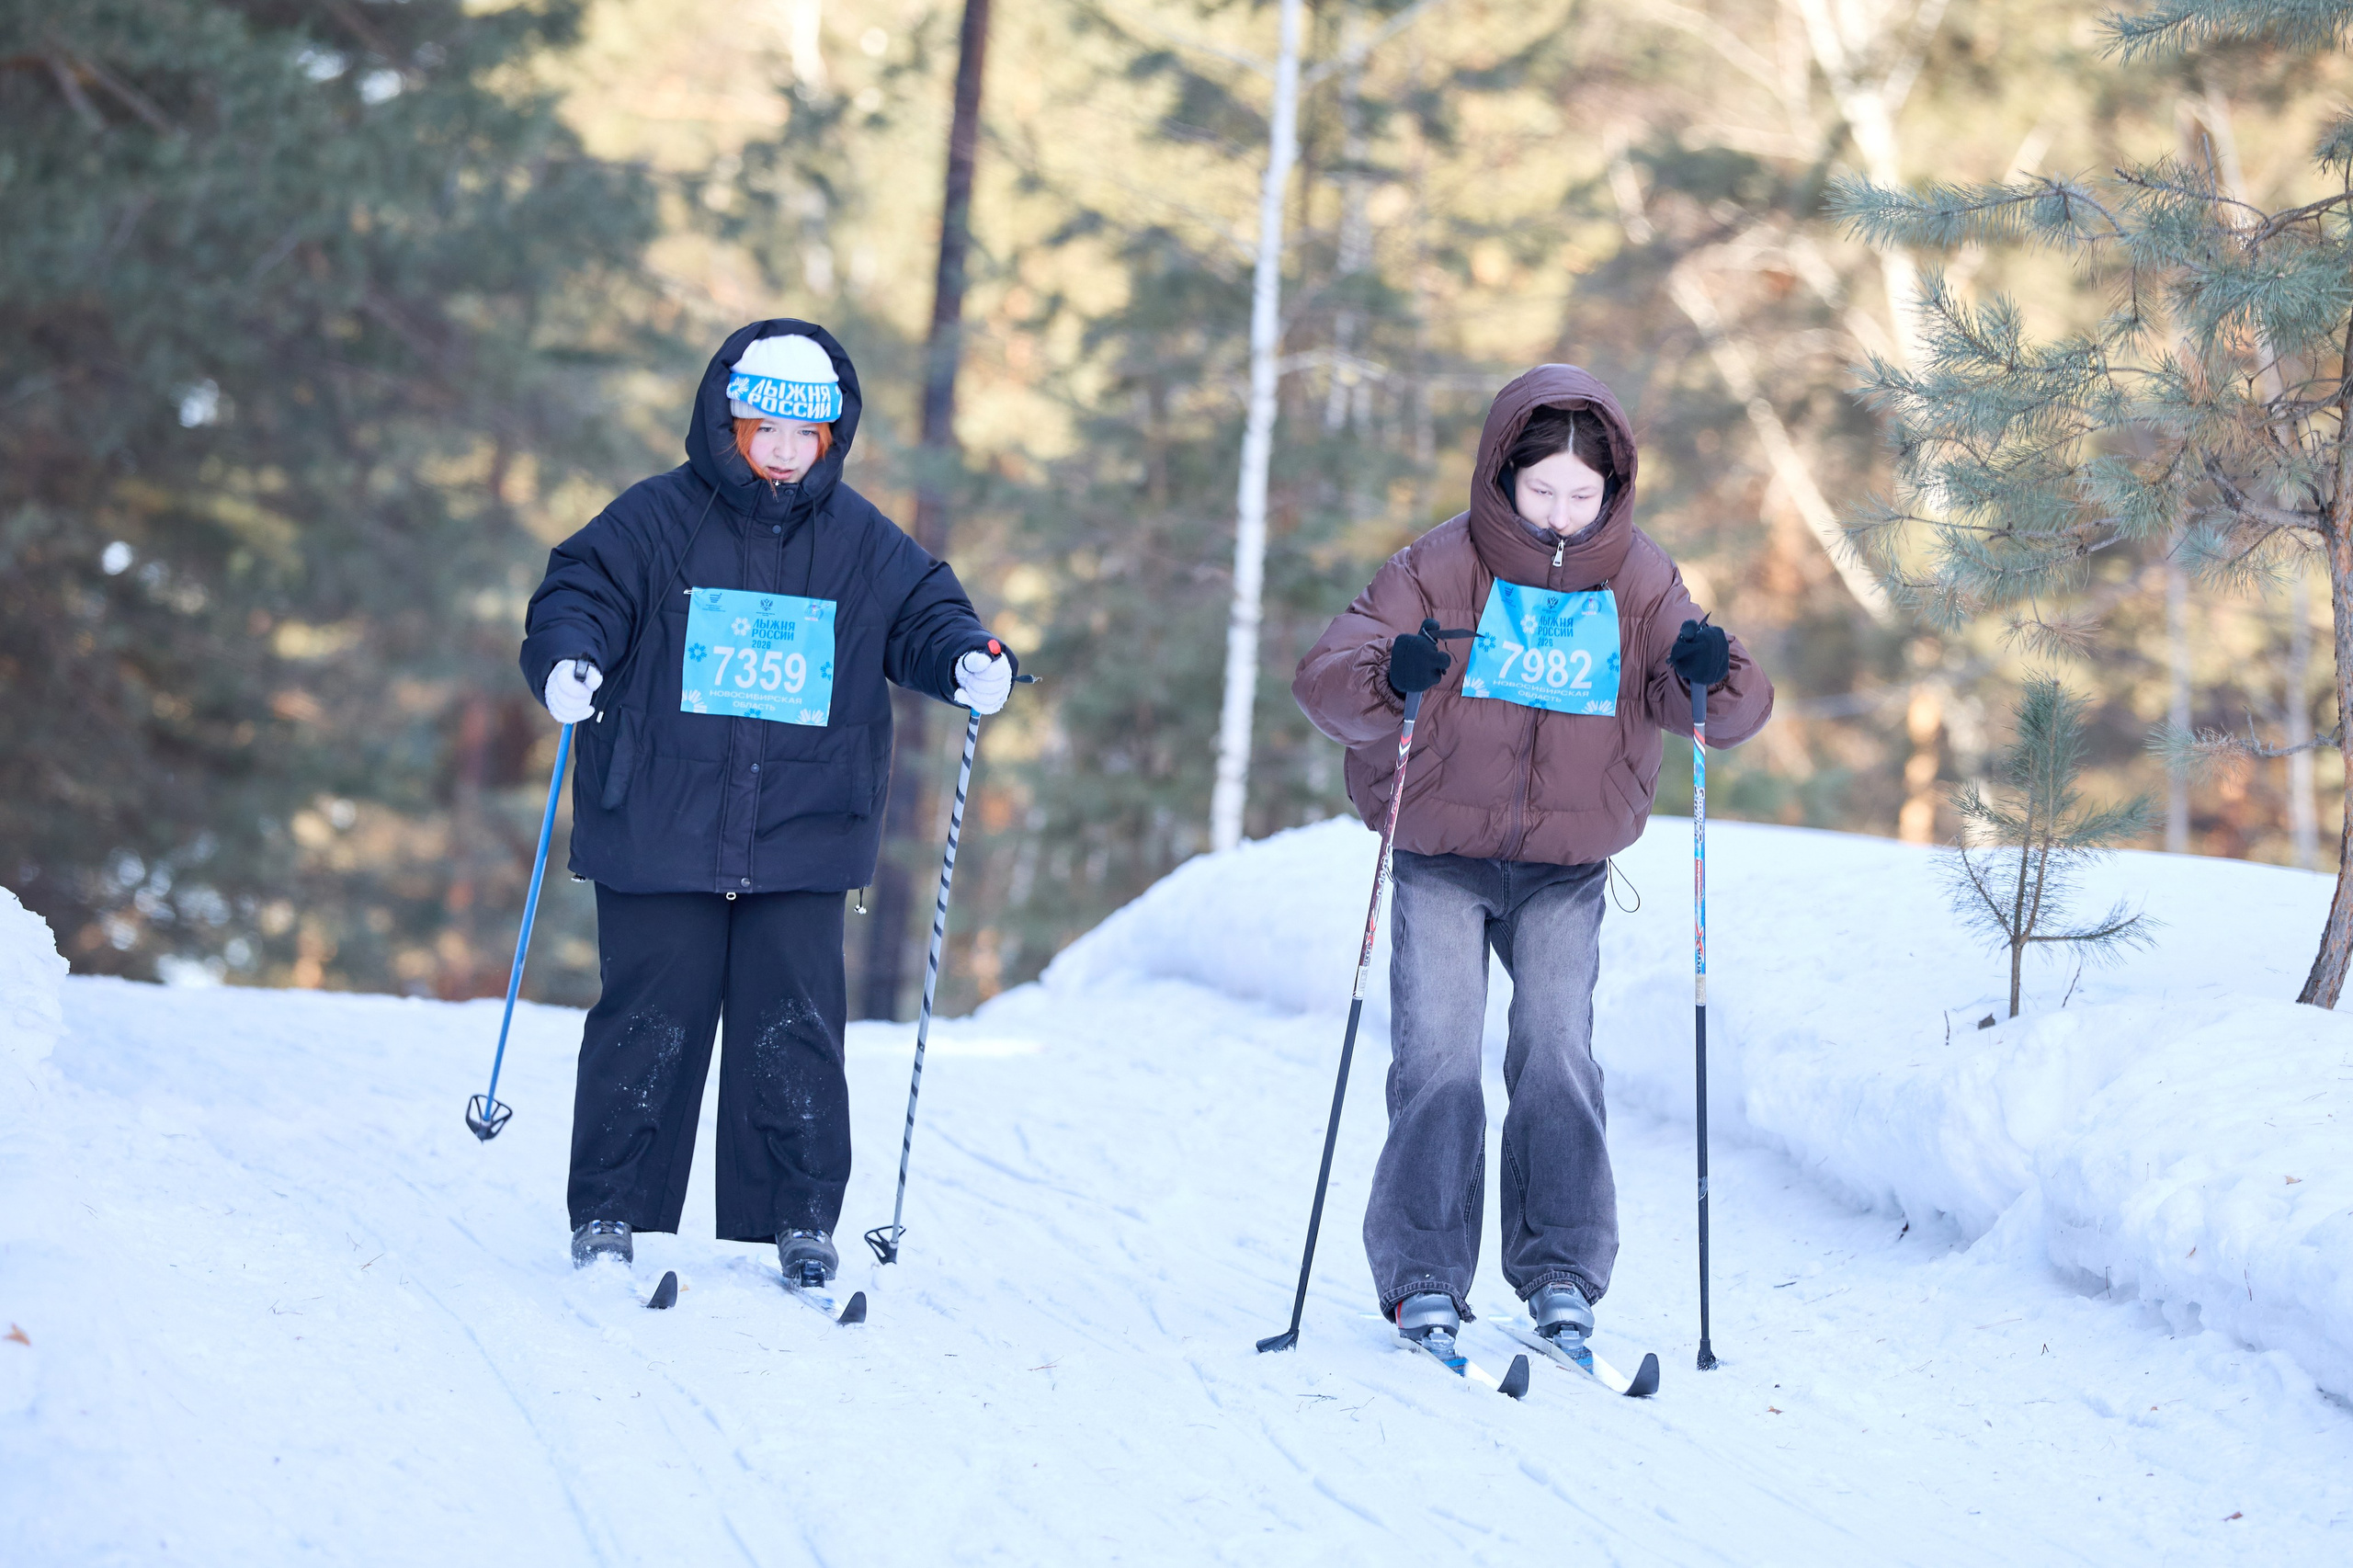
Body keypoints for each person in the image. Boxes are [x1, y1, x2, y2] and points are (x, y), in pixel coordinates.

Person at [518, 321, 1017, 1289]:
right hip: (658, 822)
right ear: (727, 421)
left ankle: (799, 1218)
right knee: (647, 1020)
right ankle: (611, 1209)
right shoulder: (655, 519)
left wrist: (966, 657)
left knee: (791, 1026)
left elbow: (925, 610)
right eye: (766, 432)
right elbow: (579, 591)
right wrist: (567, 660)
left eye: (806, 437)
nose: (785, 453)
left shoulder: (860, 540)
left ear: (830, 436)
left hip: (803, 827)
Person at [1291, 364, 1771, 1353]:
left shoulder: (1641, 579)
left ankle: (1561, 1270)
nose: (1559, 515)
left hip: (1565, 863)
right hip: (1437, 852)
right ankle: (1423, 1273)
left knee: (1556, 1055)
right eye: (1540, 490)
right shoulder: (1437, 566)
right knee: (1436, 1057)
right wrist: (1394, 674)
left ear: (1615, 490)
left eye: (1581, 495)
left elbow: (1727, 710)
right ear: (1500, 476)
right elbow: (1325, 681)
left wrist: (1709, 673)